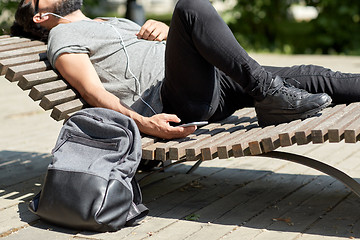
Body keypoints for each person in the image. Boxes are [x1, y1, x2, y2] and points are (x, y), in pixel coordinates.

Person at [11, 0, 359, 140]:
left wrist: (166, 32)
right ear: (41, 16)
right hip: (173, 99)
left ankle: (269, 93)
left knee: (318, 75)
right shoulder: (61, 34)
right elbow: (92, 92)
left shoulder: (111, 20)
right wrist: (145, 123)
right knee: (191, 6)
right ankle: (269, 93)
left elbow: (170, 47)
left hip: (209, 80)